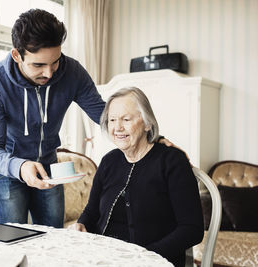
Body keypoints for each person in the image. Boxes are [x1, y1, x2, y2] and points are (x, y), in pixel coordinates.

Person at [0, 9, 172, 229]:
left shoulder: (72, 72)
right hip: (8, 173)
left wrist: (152, 138)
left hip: (51, 169)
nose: (50, 73)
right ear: (17, 55)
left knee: (54, 240)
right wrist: (21, 167)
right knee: (13, 240)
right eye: (38, 65)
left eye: (55, 61)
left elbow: (104, 114)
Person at [70, 87, 204, 267]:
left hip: (152, 260)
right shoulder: (109, 161)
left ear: (148, 124)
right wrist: (81, 224)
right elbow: (92, 211)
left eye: (126, 119)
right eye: (112, 120)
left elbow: (192, 229)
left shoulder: (172, 161)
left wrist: (144, 256)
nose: (117, 127)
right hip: (103, 256)